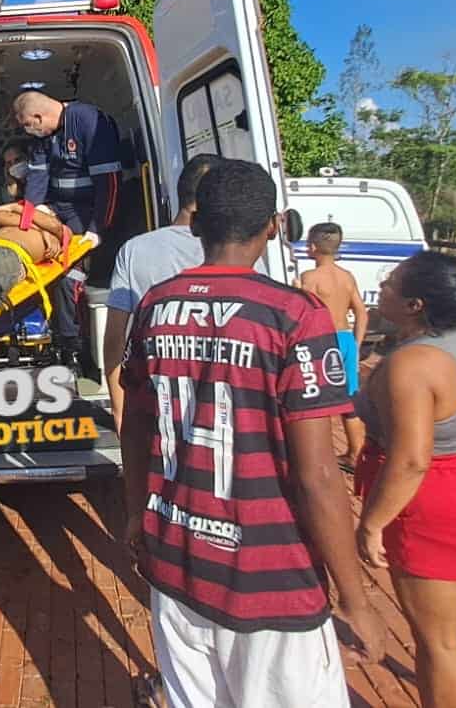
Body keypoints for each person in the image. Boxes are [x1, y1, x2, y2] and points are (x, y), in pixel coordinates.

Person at [119, 159, 385, 707]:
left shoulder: (156, 304)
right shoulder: (294, 315)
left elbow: (135, 424)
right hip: (270, 578)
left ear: (195, 224)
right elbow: (315, 476)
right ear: (274, 225)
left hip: (176, 560)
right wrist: (356, 598)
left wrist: (133, 514)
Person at [354, 252, 456, 708]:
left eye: (391, 283)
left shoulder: (412, 365)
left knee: (436, 640)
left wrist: (371, 524)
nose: (382, 286)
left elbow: (411, 460)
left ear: (415, 304)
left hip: (431, 506)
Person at [102, 154, 222, 433]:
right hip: (222, 404)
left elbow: (114, 338)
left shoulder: (134, 250)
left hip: (156, 402)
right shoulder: (241, 253)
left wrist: (119, 409)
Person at [9, 90, 124, 365]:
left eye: (28, 125)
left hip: (87, 213)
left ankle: (73, 345)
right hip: (59, 210)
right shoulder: (43, 138)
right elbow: (37, 178)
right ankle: (55, 335)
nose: (30, 132)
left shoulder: (87, 121)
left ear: (38, 117)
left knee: (69, 279)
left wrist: (98, 228)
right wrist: (32, 214)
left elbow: (109, 183)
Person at [296, 222, 370, 466]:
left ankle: (320, 456)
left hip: (323, 342)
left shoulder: (310, 278)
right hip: (346, 340)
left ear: (313, 247)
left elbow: (300, 312)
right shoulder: (347, 277)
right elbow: (362, 313)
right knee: (349, 401)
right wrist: (357, 345)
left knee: (317, 399)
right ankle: (355, 452)